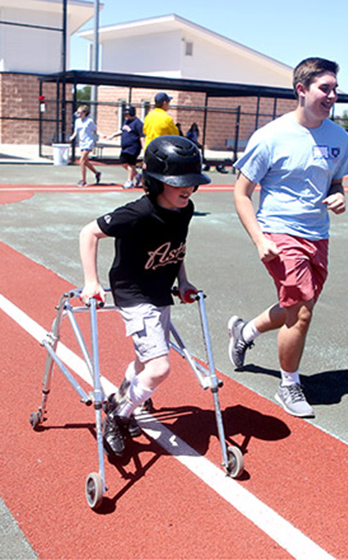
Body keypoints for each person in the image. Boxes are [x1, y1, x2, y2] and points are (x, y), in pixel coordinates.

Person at [227, 57, 348, 418]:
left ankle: (245, 332)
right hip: (279, 231)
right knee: (301, 314)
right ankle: (289, 384)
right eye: (324, 88)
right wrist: (260, 240)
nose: (332, 96)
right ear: (301, 89)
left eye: (335, 89)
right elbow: (240, 193)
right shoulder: (270, 136)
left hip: (319, 234)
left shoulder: (339, 137)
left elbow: (337, 181)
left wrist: (340, 196)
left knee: (300, 306)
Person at [79, 135, 211, 456]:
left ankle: (122, 395)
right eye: (179, 182)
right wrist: (91, 282)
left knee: (145, 359)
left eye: (192, 182)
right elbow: (89, 232)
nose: (188, 189)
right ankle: (118, 416)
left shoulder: (185, 209)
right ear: (154, 181)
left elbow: (177, 250)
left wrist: (183, 281)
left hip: (160, 291)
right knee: (159, 367)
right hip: (134, 293)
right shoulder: (137, 213)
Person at [105, 105, 144, 189]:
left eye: (127, 113)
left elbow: (142, 136)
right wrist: (112, 135)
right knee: (123, 163)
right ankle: (137, 175)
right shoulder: (126, 122)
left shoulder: (138, 123)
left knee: (130, 164)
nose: (126, 115)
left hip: (134, 147)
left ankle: (130, 181)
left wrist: (144, 148)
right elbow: (122, 130)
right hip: (125, 147)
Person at [69, 105, 102, 187]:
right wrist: (73, 136)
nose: (79, 114)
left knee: (82, 161)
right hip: (82, 143)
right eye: (78, 113)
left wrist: (102, 135)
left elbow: (95, 130)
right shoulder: (77, 121)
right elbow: (76, 131)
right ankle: (97, 173)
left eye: (80, 113)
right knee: (85, 162)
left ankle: (83, 180)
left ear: (85, 113)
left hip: (88, 142)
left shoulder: (89, 121)